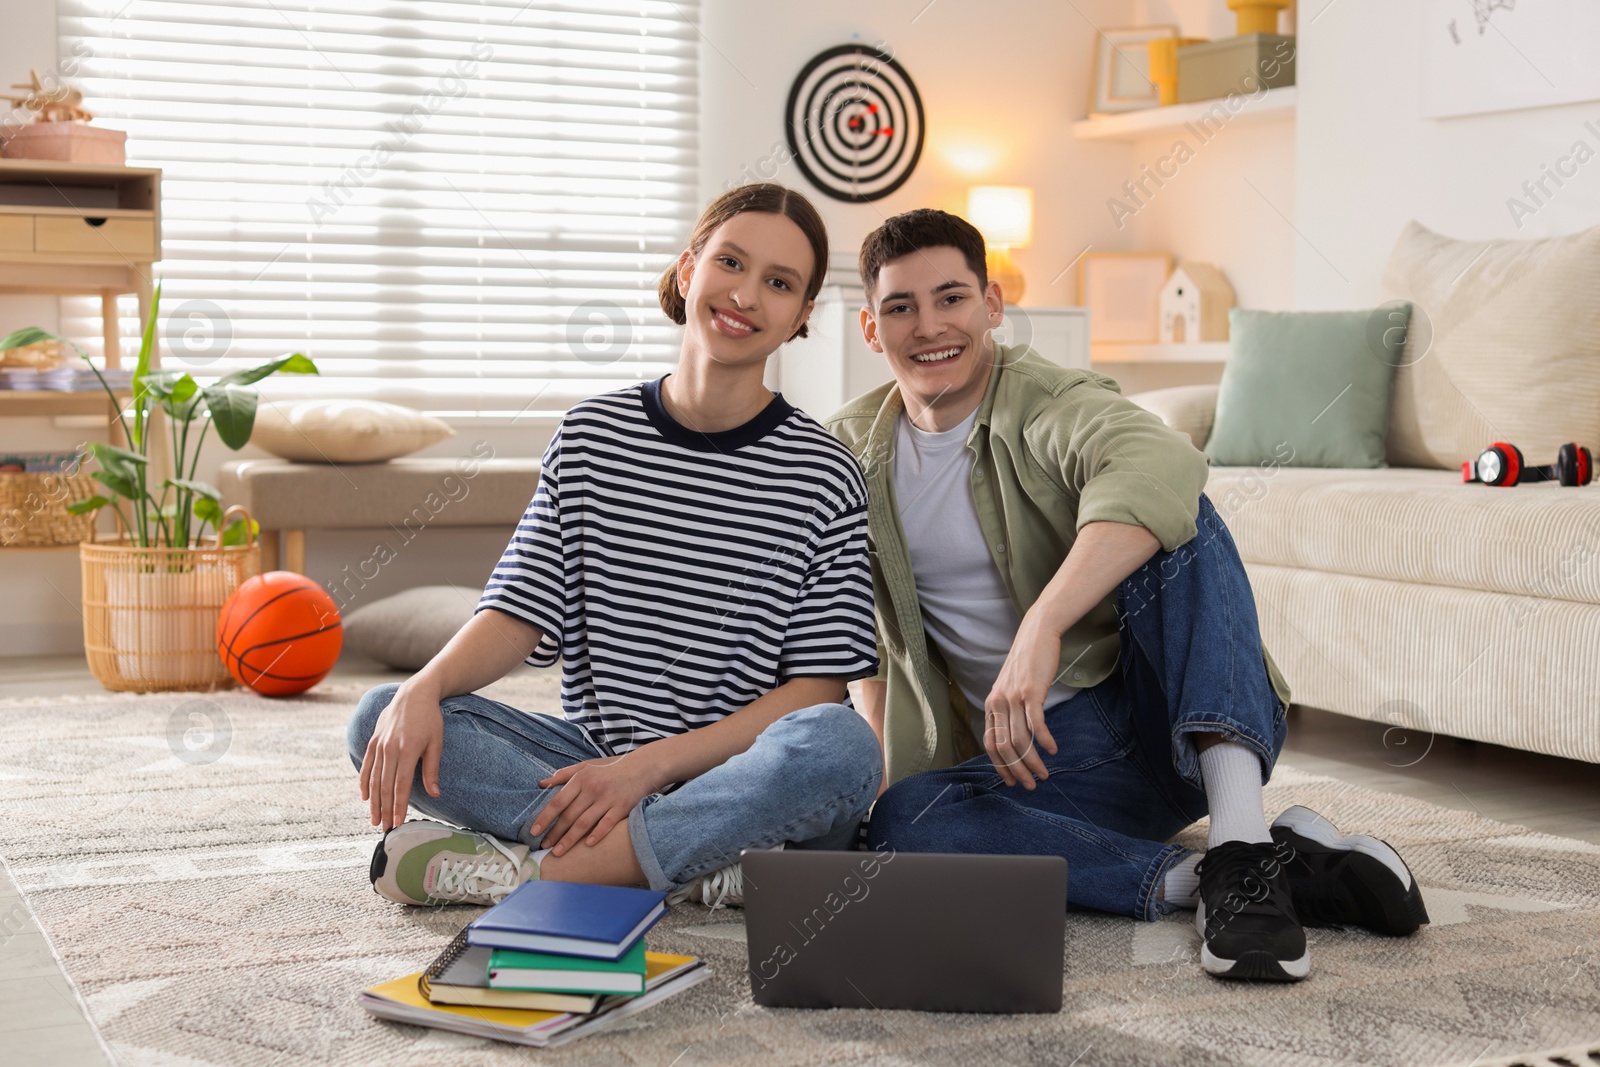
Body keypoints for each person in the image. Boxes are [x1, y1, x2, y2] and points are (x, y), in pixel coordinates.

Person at [826, 209, 1429, 982]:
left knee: (1177, 517)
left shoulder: (1042, 400)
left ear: (993, 306)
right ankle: (1231, 876)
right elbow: (856, 624)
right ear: (872, 331)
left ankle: (1239, 833)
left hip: (1165, 723)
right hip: (1040, 769)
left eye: (951, 298)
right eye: (901, 307)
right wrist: (879, 779)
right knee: (906, 824)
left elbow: (1159, 460)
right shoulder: (851, 449)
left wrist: (1044, 623)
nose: (930, 325)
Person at [347, 183, 882, 910]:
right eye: (731, 262)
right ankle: (695, 865)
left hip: (747, 773)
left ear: (801, 317)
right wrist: (423, 688)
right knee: (378, 715)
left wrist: (645, 770)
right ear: (689, 269)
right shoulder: (592, 436)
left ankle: (544, 872)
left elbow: (816, 689)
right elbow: (518, 613)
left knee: (839, 745)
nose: (748, 294)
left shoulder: (825, 473)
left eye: (780, 283)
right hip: (592, 766)